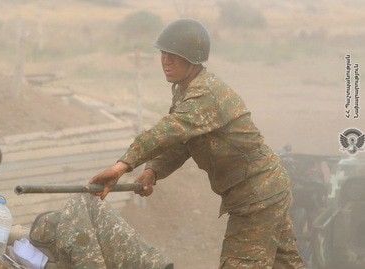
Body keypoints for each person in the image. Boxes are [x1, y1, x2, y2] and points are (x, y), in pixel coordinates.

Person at [89, 18, 306, 268]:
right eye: (163, 53)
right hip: (263, 190)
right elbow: (183, 141)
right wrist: (153, 170)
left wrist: (122, 166)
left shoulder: (205, 94)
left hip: (257, 196)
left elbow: (169, 131)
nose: (166, 61)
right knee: (285, 264)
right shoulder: (185, 88)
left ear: (193, 59)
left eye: (174, 55)